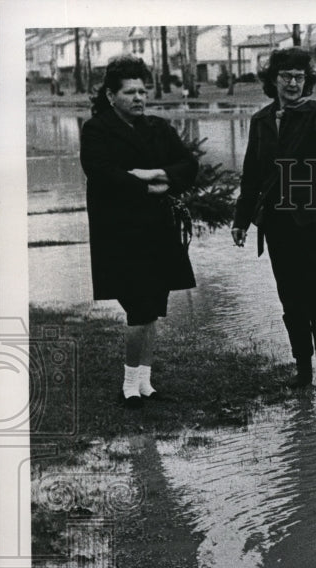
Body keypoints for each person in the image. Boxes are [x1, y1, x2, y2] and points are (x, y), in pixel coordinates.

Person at [231, 47, 316, 392]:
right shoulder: (260, 121)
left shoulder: (315, 111)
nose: (293, 83)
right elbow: (251, 176)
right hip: (278, 225)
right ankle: (302, 368)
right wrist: (241, 221)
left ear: (308, 80)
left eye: (300, 77)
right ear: (273, 81)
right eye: (286, 76)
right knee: (291, 299)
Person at [80, 55, 199, 408]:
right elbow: (101, 174)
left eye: (143, 91)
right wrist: (147, 184)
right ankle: (129, 385)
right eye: (130, 92)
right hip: (119, 234)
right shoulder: (96, 129)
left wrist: (153, 172)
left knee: (151, 308)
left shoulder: (157, 128)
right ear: (111, 95)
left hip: (158, 232)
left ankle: (145, 383)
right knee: (138, 308)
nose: (139, 98)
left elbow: (188, 165)